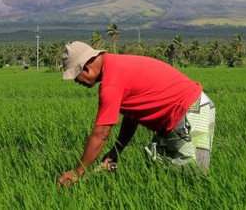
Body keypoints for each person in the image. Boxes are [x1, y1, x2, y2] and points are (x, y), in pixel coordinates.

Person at [57, 41, 216, 188]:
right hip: (179, 115)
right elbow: (132, 117)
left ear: (86, 68)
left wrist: (78, 171)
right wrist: (115, 152)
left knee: (193, 177)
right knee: (158, 167)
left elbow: (101, 134)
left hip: (191, 110)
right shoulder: (116, 65)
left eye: (76, 77)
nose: (77, 82)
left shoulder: (111, 83)